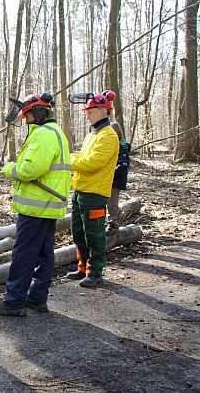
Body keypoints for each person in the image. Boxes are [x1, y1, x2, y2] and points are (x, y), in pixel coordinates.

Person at [0, 93, 71, 317]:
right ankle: (37, 298)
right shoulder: (55, 132)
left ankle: (14, 302)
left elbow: (28, 170)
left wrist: (7, 168)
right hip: (47, 204)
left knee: (24, 254)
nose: (25, 120)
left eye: (27, 116)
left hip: (37, 205)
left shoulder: (43, 135)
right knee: (44, 253)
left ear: (37, 113)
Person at [66, 91, 120, 288]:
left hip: (95, 193)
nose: (87, 115)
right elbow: (83, 157)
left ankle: (95, 272)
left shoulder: (108, 136)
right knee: (78, 232)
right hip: (80, 189)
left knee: (94, 235)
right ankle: (83, 267)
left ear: (103, 111)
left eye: (90, 111)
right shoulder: (93, 134)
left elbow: (92, 163)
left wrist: (68, 160)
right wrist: (73, 157)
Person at [106, 122, 130, 236]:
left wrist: (111, 173)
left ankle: (113, 225)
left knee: (112, 203)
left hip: (116, 179)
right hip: (107, 179)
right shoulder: (109, 144)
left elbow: (123, 165)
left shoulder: (122, 146)